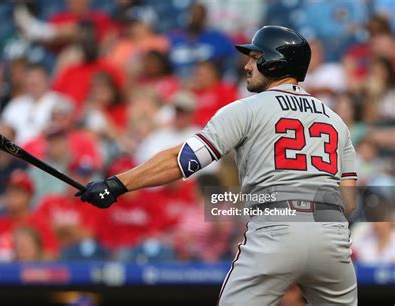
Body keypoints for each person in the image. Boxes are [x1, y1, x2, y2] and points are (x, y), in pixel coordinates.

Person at [77, 26, 358, 305]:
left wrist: (116, 184)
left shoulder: (246, 108)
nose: (247, 66)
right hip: (330, 235)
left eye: (255, 57)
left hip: (277, 227)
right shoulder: (336, 121)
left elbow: (183, 160)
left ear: (275, 62)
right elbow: (348, 201)